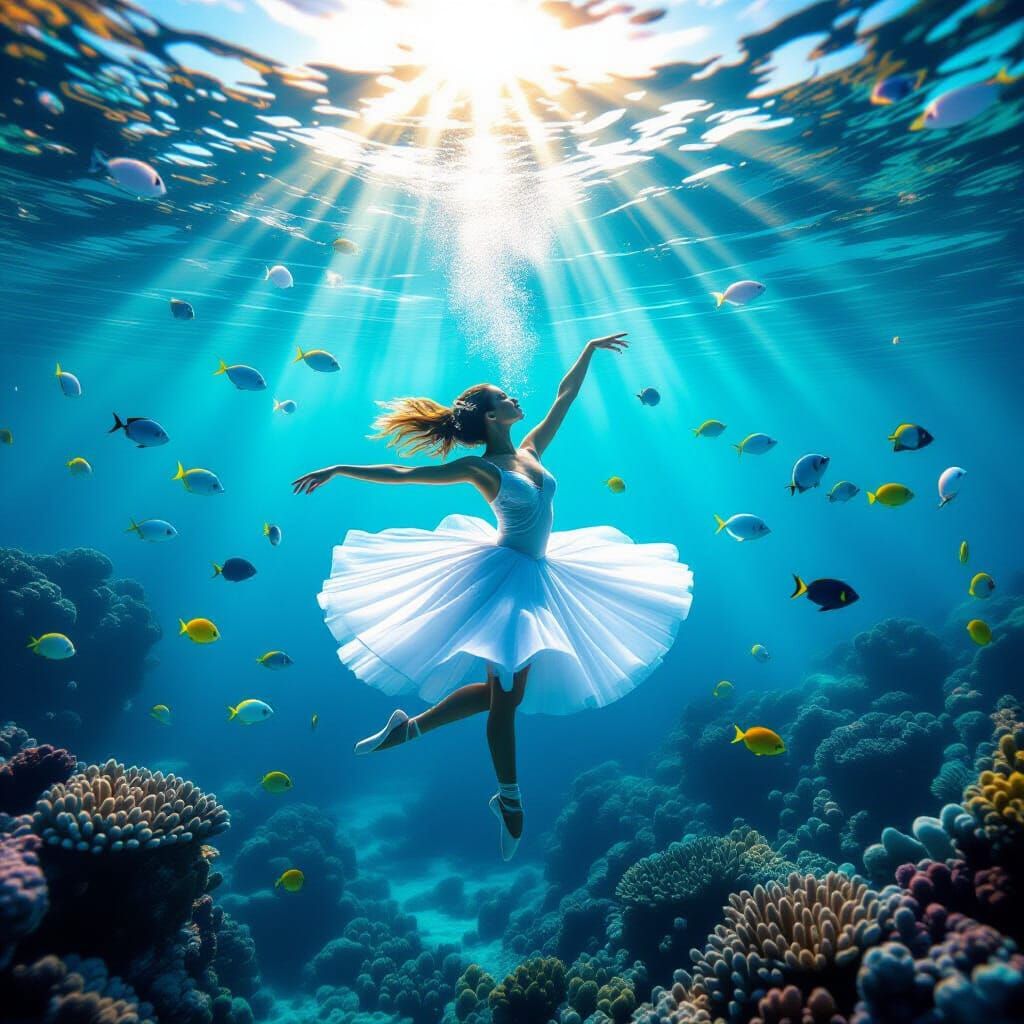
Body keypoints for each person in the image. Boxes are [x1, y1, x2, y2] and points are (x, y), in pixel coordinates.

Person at [292, 334, 692, 860]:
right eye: (503, 398)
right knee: (504, 703)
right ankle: (509, 801)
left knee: (506, 697)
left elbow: (563, 398)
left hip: (545, 574)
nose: (513, 400)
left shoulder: (529, 451)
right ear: (488, 417)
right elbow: (408, 474)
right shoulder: (483, 469)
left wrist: (590, 349)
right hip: (506, 586)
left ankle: (407, 731)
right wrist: (341, 468)